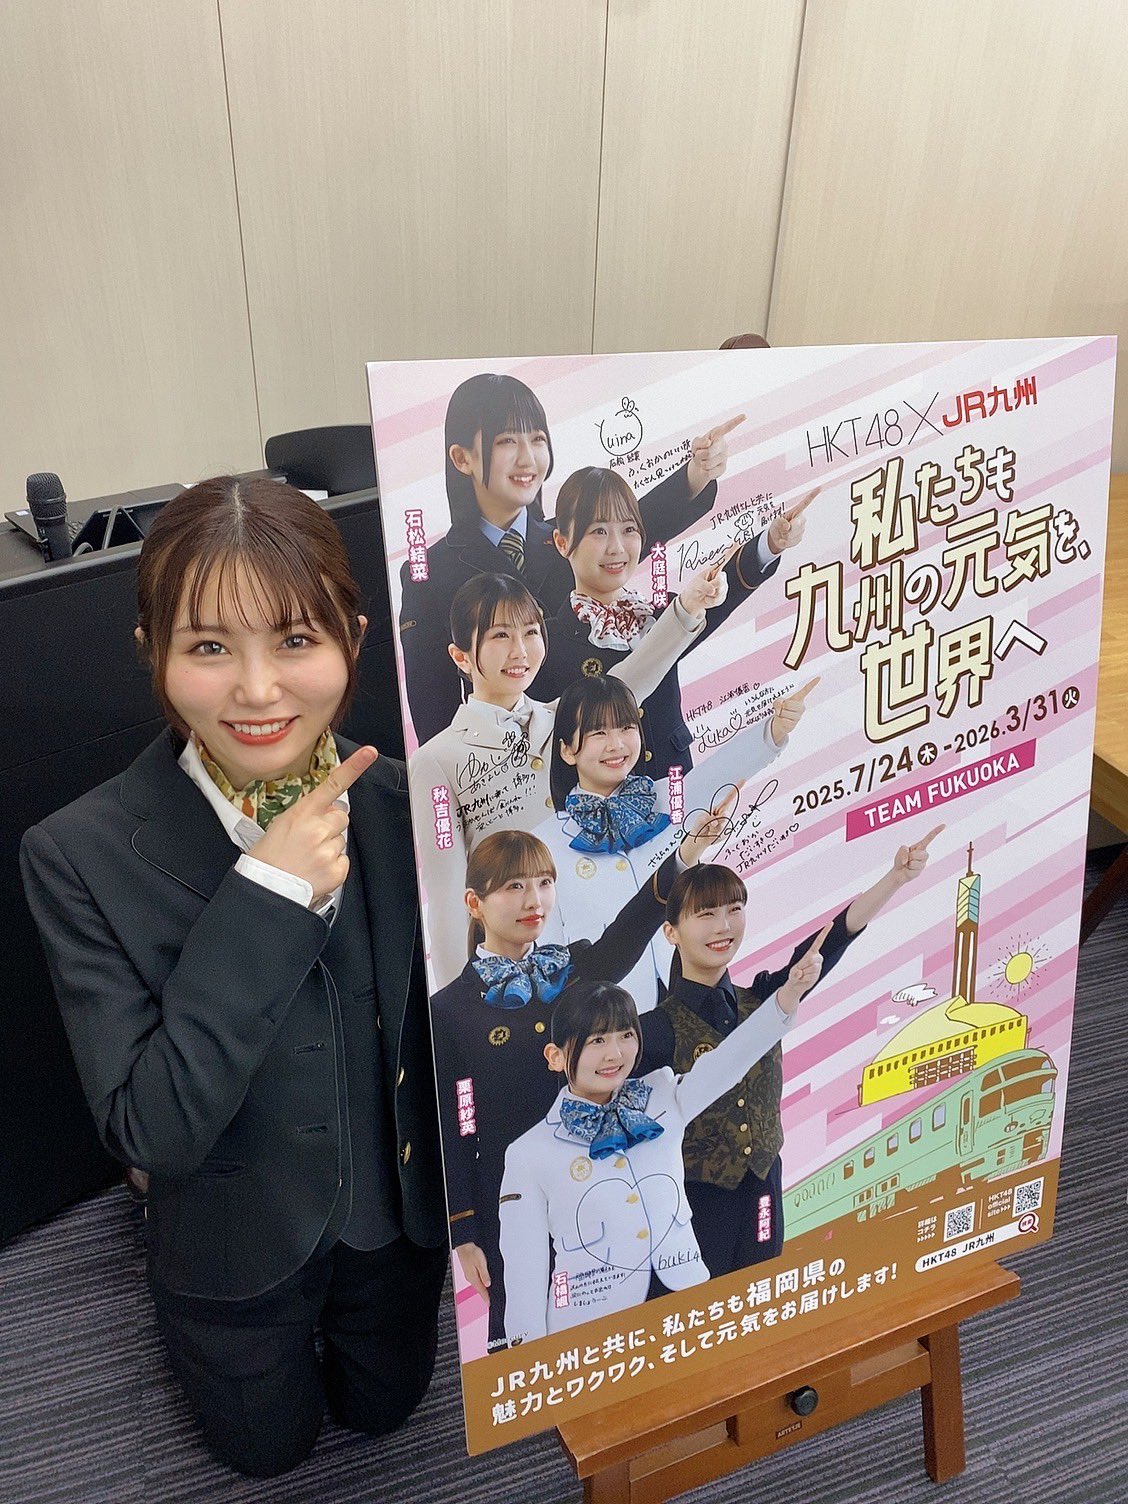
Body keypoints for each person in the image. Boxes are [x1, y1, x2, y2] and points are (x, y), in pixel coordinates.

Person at [20, 477, 446, 1479]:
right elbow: (148, 1129)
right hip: (232, 1245)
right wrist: (267, 892)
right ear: (152, 652)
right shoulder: (77, 854)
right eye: (209, 647)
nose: (257, 690)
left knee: (388, 1411)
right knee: (263, 1452)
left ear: (353, 638)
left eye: (295, 639)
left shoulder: (416, 805)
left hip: (394, 1221)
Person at [431, 817, 729, 1349]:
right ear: (475, 903)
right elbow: (455, 1127)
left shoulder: (572, 970)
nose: (534, 900)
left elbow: (627, 933)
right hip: (513, 1197)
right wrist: (465, 1230)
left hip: (599, 1180)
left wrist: (683, 859)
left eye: (544, 882)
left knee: (621, 1323)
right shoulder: (449, 1010)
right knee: (531, 1335)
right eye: (514, 886)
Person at [408, 560, 729, 987]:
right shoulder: (435, 760)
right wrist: (455, 1003)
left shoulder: (562, 719)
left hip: (609, 936)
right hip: (526, 965)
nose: (520, 651)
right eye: (500, 635)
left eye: (531, 632)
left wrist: (686, 610)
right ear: (460, 656)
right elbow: (446, 895)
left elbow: (630, 678)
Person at [641, 833, 943, 1278]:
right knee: (701, 1306)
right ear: (671, 932)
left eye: (734, 910)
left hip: (763, 1186)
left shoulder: (764, 999)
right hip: (694, 1201)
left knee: (764, 1292)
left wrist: (895, 879)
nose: (724, 926)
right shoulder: (650, 1029)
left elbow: (828, 944)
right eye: (706, 914)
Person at [496, 944, 819, 1343]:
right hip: (596, 1324)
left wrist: (785, 999)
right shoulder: (529, 1153)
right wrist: (531, 1360)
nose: (615, 1053)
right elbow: (524, 1272)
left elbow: (729, 1062)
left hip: (687, 1292)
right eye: (597, 1041)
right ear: (555, 1056)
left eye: (626, 1035)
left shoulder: (661, 1094)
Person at [399, 372, 742, 741]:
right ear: (461, 458)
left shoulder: (567, 537)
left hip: (604, 750)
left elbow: (641, 521)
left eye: (537, 439)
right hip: (511, 758)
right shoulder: (432, 573)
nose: (528, 458)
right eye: (507, 441)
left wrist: (697, 473)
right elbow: (432, 707)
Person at [535, 673, 817, 1011]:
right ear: (567, 750)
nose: (616, 745)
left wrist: (775, 730)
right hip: (607, 1020)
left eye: (626, 728)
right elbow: (544, 954)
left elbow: (720, 772)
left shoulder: (670, 798)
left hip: (689, 1002)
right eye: (598, 733)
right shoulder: (542, 844)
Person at [533, 465, 816, 779]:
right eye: (599, 531)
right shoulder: (544, 643)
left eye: (629, 529)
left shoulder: (657, 613)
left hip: (681, 788)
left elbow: (721, 592)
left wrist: (770, 544)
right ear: (562, 542)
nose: (617, 548)